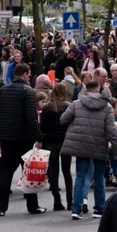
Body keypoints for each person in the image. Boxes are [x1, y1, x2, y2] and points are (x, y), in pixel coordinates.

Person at [60, 81, 117, 220]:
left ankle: (76, 209)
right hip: (99, 144)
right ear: (98, 89)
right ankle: (99, 209)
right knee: (99, 177)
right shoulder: (107, 107)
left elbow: (63, 120)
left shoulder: (76, 104)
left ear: (86, 90)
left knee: (80, 176)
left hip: (81, 144)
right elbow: (111, 131)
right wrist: (116, 149)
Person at [0, 63, 45, 216]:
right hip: (23, 138)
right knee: (28, 172)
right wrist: (38, 137)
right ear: (25, 74)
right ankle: (32, 206)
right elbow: (31, 117)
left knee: (5, 172)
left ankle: (1, 208)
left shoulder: (3, 90)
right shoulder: (27, 91)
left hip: (5, 137)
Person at [41, 83, 72, 211]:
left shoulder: (47, 107)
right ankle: (70, 201)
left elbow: (43, 126)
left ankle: (57, 201)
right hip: (65, 141)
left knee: (54, 172)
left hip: (50, 142)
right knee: (67, 172)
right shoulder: (67, 106)